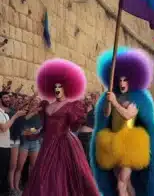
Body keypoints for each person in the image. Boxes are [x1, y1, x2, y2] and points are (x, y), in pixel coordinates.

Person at [91, 47, 154, 196]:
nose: (122, 82)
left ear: (131, 80)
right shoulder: (113, 97)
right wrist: (108, 102)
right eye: (119, 79)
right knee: (127, 183)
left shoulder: (139, 99)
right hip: (113, 144)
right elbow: (106, 115)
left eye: (125, 79)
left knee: (121, 182)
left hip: (130, 145)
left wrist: (115, 103)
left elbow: (128, 115)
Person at [23, 58, 99, 196]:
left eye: (60, 87)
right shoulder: (47, 106)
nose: (57, 89)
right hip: (47, 146)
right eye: (55, 87)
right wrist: (32, 131)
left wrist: (82, 116)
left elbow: (75, 128)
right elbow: (44, 128)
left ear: (66, 88)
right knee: (42, 177)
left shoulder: (72, 106)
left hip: (64, 145)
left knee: (64, 176)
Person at [14, 96, 44, 191]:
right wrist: (32, 130)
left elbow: (39, 129)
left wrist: (31, 130)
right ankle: (15, 187)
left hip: (35, 143)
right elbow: (21, 129)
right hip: (24, 142)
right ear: (31, 102)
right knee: (19, 166)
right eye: (34, 100)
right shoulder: (24, 113)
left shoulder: (40, 116)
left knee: (33, 167)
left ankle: (30, 187)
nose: (35, 102)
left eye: (37, 101)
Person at [0, 92, 26, 195]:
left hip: (6, 145)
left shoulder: (4, 114)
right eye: (5, 97)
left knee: (3, 171)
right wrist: (15, 116)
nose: (8, 99)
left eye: (8, 97)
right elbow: (4, 128)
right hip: (1, 146)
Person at [78, 93, 95, 164]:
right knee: (81, 157)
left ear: (92, 100)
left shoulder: (95, 111)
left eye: (89, 99)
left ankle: (90, 174)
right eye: (86, 99)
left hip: (89, 136)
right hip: (80, 136)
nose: (87, 100)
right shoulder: (82, 110)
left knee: (88, 157)